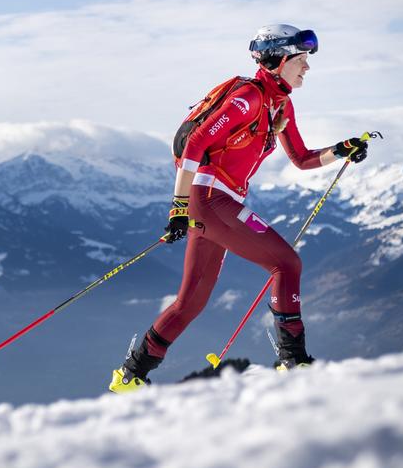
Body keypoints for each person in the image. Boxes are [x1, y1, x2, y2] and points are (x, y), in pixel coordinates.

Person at [109, 24, 368, 393]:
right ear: (279, 60)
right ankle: (293, 360)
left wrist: (342, 150)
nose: (307, 67)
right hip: (209, 198)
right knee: (287, 263)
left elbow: (302, 159)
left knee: (190, 303)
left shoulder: (280, 103)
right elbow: (195, 147)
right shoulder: (248, 97)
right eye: (301, 59)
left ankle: (130, 375)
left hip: (218, 201)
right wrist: (179, 208)